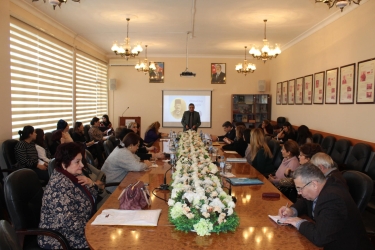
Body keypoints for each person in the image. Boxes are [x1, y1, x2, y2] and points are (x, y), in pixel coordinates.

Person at [278, 164, 373, 250]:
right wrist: (292, 210)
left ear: (314, 184)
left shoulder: (332, 199)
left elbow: (319, 238)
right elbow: (304, 201)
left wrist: (299, 222)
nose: (299, 193)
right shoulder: (324, 184)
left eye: (300, 188)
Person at [38, 142, 97, 249]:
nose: (82, 165)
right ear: (64, 164)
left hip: (80, 229)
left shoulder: (74, 175)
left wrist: (91, 183)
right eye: (77, 162)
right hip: (62, 237)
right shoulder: (59, 185)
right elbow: (69, 222)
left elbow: (93, 196)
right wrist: (94, 227)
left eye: (81, 161)